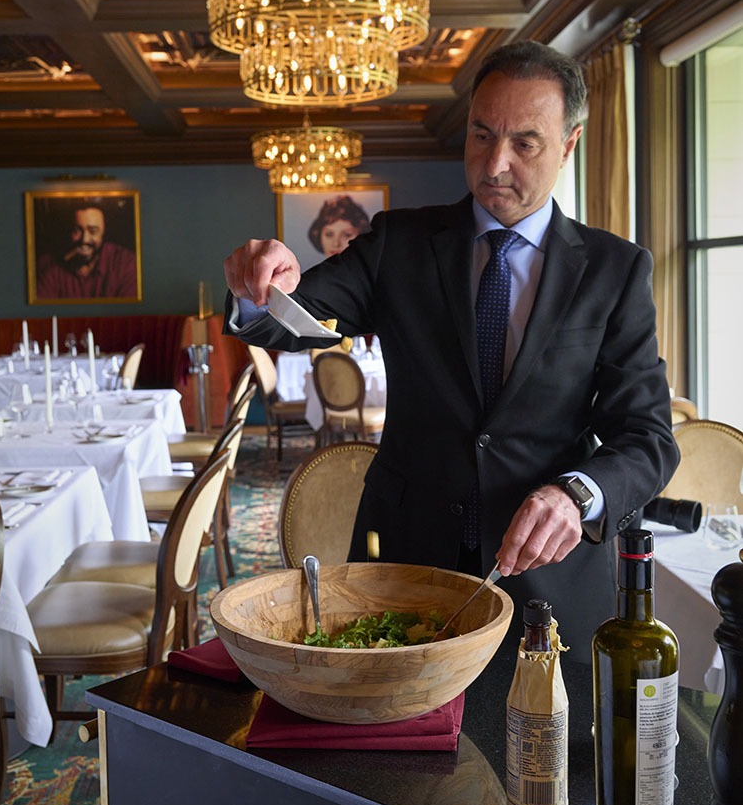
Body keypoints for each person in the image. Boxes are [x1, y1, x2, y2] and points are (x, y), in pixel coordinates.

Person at [223, 41, 679, 654]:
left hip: (548, 575)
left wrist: (577, 494)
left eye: (525, 143)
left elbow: (647, 436)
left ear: (569, 145)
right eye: (482, 135)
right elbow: (296, 317)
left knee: (545, 745)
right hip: (405, 557)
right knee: (388, 741)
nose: (494, 165)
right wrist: (259, 286)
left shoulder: (615, 270)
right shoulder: (398, 244)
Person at [36, 201, 138, 300]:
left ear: (103, 234)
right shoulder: (48, 264)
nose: (84, 239)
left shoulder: (126, 263)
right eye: (77, 230)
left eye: (93, 231)